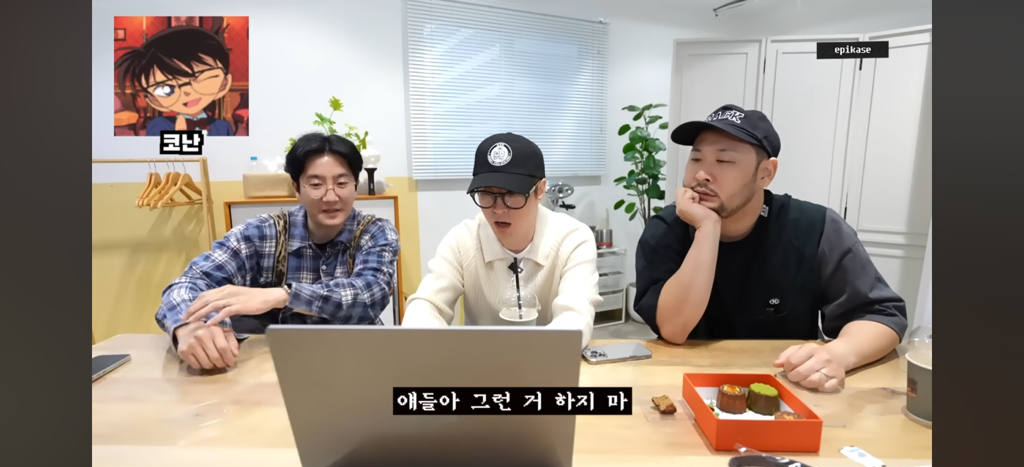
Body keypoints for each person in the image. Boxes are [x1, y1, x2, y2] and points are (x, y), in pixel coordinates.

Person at [633, 104, 908, 392]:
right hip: (686, 384)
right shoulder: (667, 229)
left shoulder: (814, 227)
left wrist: (839, 354)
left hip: (787, 386)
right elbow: (674, 329)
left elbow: (880, 314)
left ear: (765, 173)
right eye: (696, 158)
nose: (701, 174)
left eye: (723, 160)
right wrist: (707, 228)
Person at [155, 131, 401, 370]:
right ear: (296, 187)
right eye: (316, 184)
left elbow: (370, 293)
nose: (330, 196)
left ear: (355, 185)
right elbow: (188, 283)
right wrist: (190, 326)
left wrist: (282, 295)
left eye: (342, 183)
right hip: (271, 369)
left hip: (355, 363)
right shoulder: (263, 233)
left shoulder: (374, 232)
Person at [401, 133, 601, 349]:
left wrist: (539, 355)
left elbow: (575, 317)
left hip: (547, 362)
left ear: (540, 190)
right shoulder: (462, 240)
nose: (498, 208)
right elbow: (427, 305)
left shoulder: (573, 239)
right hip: (477, 363)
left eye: (511, 194)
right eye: (486, 193)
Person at [115, 22, 236, 136]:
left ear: (224, 83)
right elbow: (155, 151)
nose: (186, 92)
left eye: (201, 79)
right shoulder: (158, 126)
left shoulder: (223, 127)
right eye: (166, 89)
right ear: (154, 100)